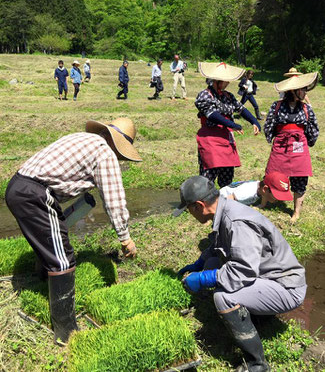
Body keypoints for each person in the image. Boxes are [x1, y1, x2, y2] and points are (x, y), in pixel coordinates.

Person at [5, 118, 142, 343]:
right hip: (35, 195)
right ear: (116, 144)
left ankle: (42, 281)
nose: (119, 157)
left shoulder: (84, 138)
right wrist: (125, 239)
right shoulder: (105, 153)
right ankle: (66, 332)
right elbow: (114, 200)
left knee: (52, 240)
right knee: (62, 260)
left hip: (19, 186)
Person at [174, 175, 307, 372]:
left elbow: (242, 271)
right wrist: (200, 263)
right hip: (265, 277)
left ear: (199, 206)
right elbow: (220, 245)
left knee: (224, 297)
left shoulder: (236, 221)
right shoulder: (224, 208)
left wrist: (204, 278)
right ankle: (257, 314)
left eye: (188, 210)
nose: (190, 215)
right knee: (211, 262)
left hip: (285, 287)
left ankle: (257, 364)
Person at [264, 72, 319, 222]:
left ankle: (296, 211)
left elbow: (313, 129)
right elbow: (269, 124)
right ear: (292, 91)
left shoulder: (306, 109)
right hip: (281, 144)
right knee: (272, 173)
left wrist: (309, 142)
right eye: (301, 89)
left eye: (304, 89)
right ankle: (267, 201)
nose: (304, 92)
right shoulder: (277, 106)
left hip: (298, 145)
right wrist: (272, 138)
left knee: (300, 177)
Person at [195, 62, 261, 188]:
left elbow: (241, 109)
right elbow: (212, 114)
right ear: (217, 81)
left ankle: (224, 202)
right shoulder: (204, 95)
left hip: (226, 139)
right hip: (210, 139)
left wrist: (254, 121)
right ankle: (203, 204)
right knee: (208, 175)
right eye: (226, 81)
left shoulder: (228, 96)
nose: (228, 83)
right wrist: (233, 124)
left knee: (227, 175)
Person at [220, 171, 293, 208]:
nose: (278, 199)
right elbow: (227, 201)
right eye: (276, 196)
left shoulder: (260, 189)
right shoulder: (247, 192)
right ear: (265, 189)